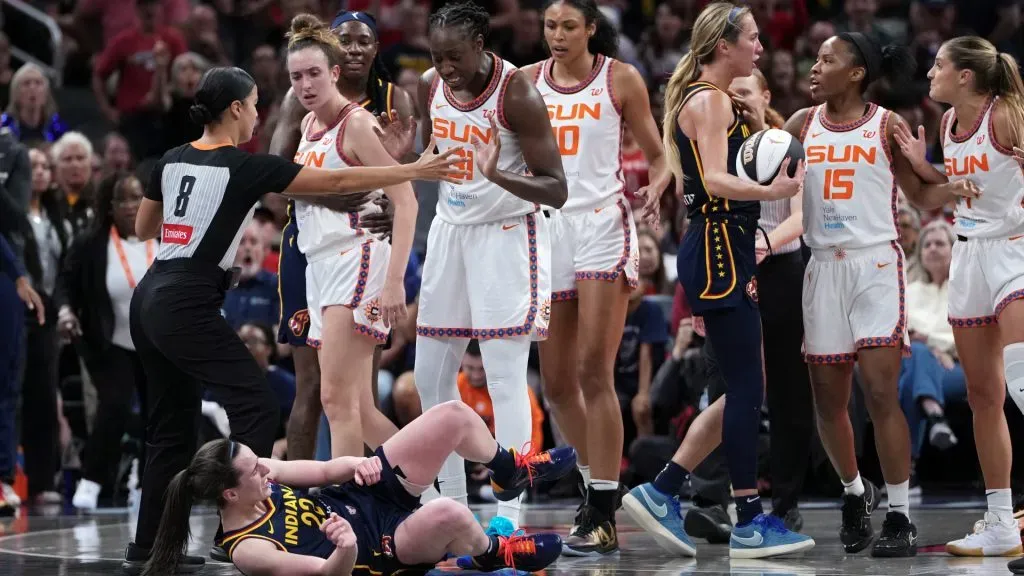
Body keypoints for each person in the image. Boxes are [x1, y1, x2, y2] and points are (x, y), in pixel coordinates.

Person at [123, 65, 464, 573]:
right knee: (257, 405)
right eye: (256, 104)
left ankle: (148, 547)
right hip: (187, 299)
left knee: (169, 427)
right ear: (236, 109)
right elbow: (342, 178)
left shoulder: (170, 160)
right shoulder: (247, 167)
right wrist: (414, 170)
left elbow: (143, 225)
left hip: (149, 297)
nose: (259, 114)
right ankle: (237, 528)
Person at [621, 2, 812, 559]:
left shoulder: (712, 100)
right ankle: (750, 520)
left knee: (741, 388)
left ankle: (664, 491)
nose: (760, 46)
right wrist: (775, 193)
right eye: (752, 38)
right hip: (721, 245)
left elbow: (694, 177)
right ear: (723, 45)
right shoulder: (708, 100)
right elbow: (717, 180)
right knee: (747, 389)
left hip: (723, 244)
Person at [777, 31, 970, 557]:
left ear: (857, 72)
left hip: (876, 266)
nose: (813, 68)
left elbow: (921, 193)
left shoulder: (888, 126)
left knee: (882, 393)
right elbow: (776, 192)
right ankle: (855, 492)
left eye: (826, 60)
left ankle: (902, 515)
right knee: (828, 398)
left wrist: (959, 180)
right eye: (813, 58)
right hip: (820, 268)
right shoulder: (798, 124)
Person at [516, 0, 668, 554]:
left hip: (603, 222)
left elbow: (659, 152)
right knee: (556, 384)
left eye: (567, 26)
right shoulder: (526, 80)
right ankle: (599, 484)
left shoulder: (620, 78)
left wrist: (656, 185)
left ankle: (601, 508)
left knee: (592, 372)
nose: (556, 35)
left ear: (591, 30)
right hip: (548, 226)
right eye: (549, 25)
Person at [413, 0, 568, 531]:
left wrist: (500, 177)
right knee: (428, 376)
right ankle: (451, 501)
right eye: (437, 56)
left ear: (481, 43)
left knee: (504, 379)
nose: (446, 66)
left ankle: (509, 515)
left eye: (455, 55)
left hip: (506, 235)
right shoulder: (431, 83)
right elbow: (430, 154)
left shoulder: (517, 94)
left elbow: (557, 189)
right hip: (450, 233)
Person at [141, 401, 577, 576]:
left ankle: (509, 470)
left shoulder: (258, 474)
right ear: (230, 494)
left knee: (453, 416)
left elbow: (326, 469)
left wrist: (361, 464)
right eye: (255, 471)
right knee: (451, 513)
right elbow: (331, 574)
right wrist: (345, 546)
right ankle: (491, 553)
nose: (265, 471)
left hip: (360, 497)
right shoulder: (247, 549)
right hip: (373, 547)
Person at [896, 34, 1024, 557]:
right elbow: (931, 194)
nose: (930, 73)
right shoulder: (949, 125)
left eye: (938, 65)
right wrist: (917, 163)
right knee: (983, 396)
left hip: (1013, 249)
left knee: (1020, 379)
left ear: (965, 76)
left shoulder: (1006, 117)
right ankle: (1000, 521)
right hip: (968, 256)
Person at [269, 10, 415, 464]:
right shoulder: (309, 124)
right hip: (321, 263)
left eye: (314, 73)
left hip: (356, 258)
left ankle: (349, 504)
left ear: (334, 73)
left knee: (334, 399)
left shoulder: (356, 123)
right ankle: (430, 493)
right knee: (362, 410)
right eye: (297, 77)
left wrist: (394, 282)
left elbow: (406, 201)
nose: (306, 84)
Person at [728, 69, 811, 532]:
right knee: (727, 385)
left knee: (788, 390)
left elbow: (800, 218)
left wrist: (761, 243)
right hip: (733, 271)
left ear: (765, 95)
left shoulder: (787, 144)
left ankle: (786, 500)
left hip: (781, 268)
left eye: (744, 92)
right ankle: (718, 496)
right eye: (729, 93)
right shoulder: (715, 146)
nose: (736, 100)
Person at [60, 172, 156, 512]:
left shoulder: (167, 237)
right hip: (107, 339)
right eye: (123, 200)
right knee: (114, 404)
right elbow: (66, 282)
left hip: (155, 342)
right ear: (110, 206)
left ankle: (148, 484)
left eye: (137, 197)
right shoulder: (92, 242)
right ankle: (91, 480)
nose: (131, 207)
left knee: (156, 413)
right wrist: (65, 311)